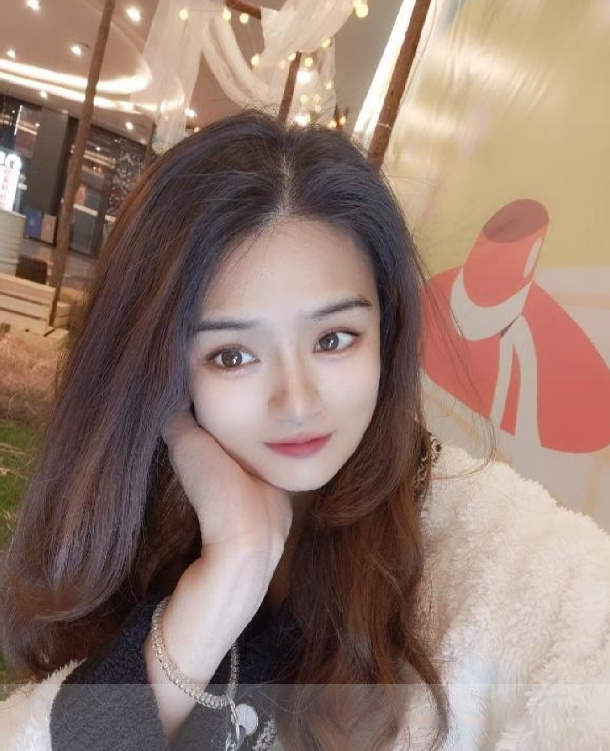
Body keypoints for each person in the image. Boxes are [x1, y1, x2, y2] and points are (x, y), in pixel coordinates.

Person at [1, 111, 609, 751]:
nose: (296, 402)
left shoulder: (514, 569)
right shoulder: (142, 525)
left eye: (334, 339)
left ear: (387, 334)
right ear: (165, 370)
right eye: (233, 355)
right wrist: (226, 580)